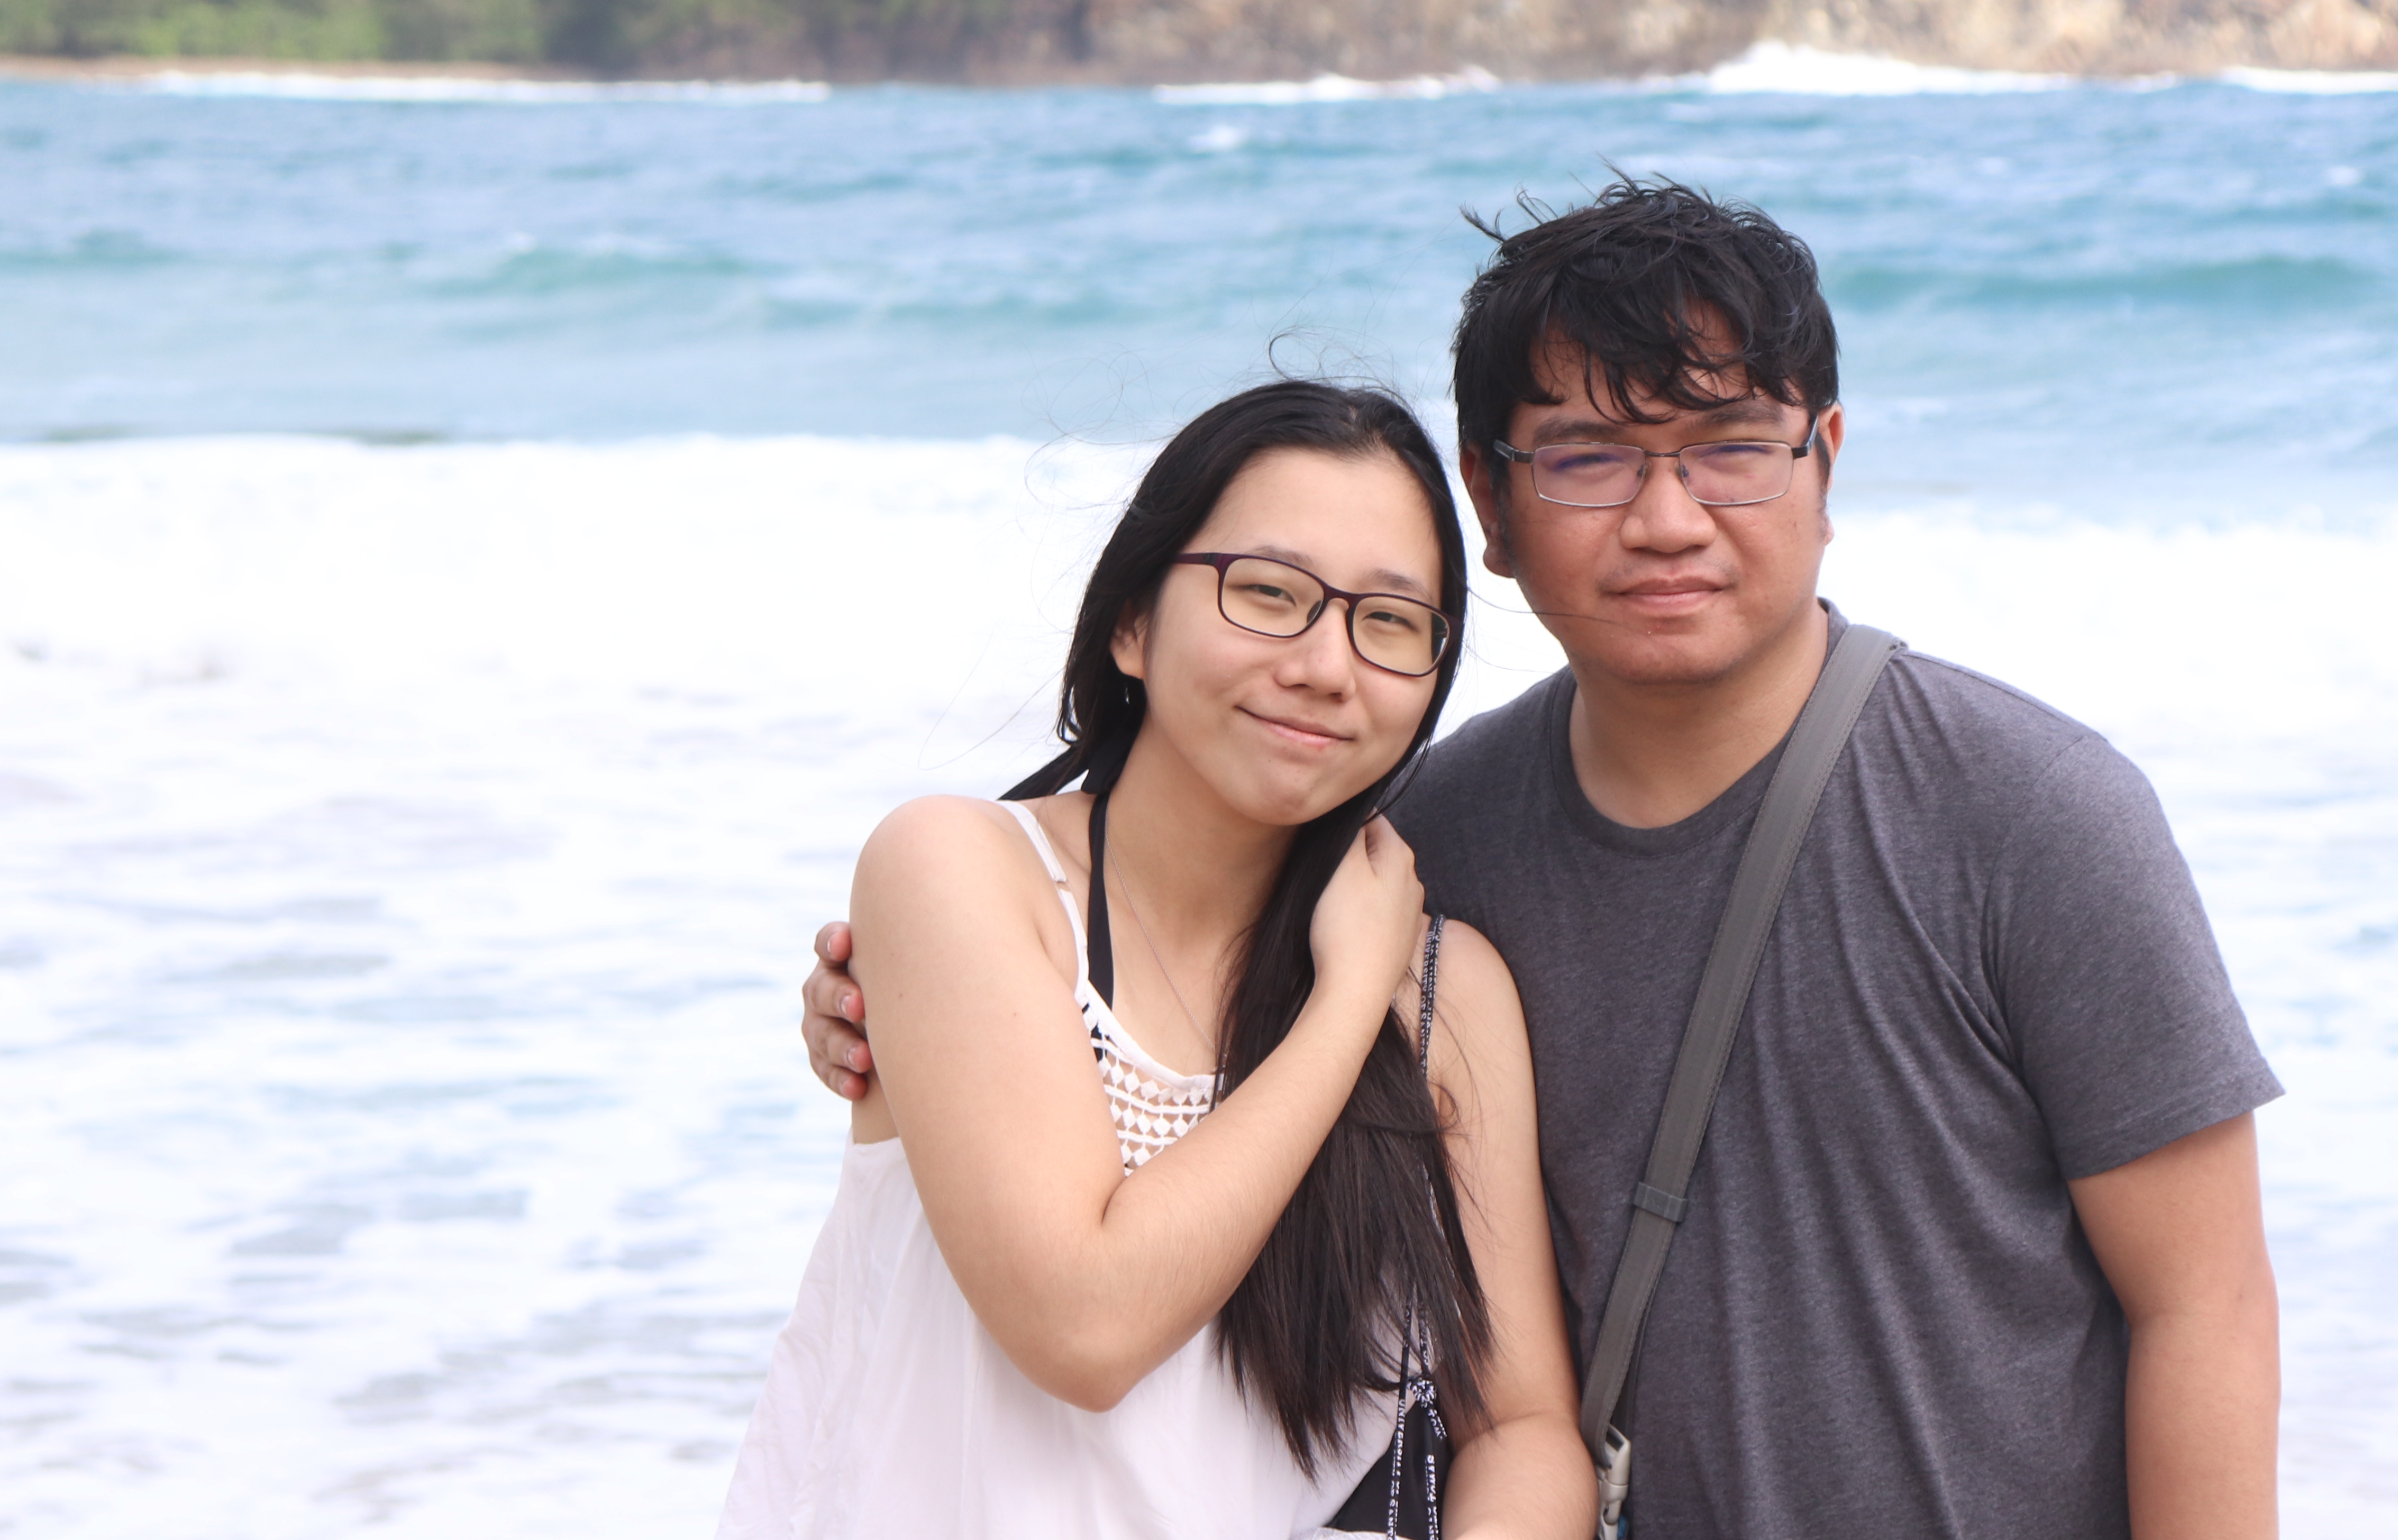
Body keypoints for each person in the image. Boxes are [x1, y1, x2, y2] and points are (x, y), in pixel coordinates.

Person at [805, 187, 2283, 1539]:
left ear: (1824, 465)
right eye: (1588, 456)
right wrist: (908, 1020)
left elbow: (2206, 1305)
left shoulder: (2032, 814)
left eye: (1732, 448)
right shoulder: (1427, 846)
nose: (1667, 518)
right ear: (1496, 504)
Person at [728, 380, 1593, 1538]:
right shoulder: (963, 872)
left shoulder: (1444, 991)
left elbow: (1521, 1427)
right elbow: (1085, 1328)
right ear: (1132, 621)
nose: (1327, 665)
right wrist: (1346, 1002)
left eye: (1390, 620)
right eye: (1270, 592)